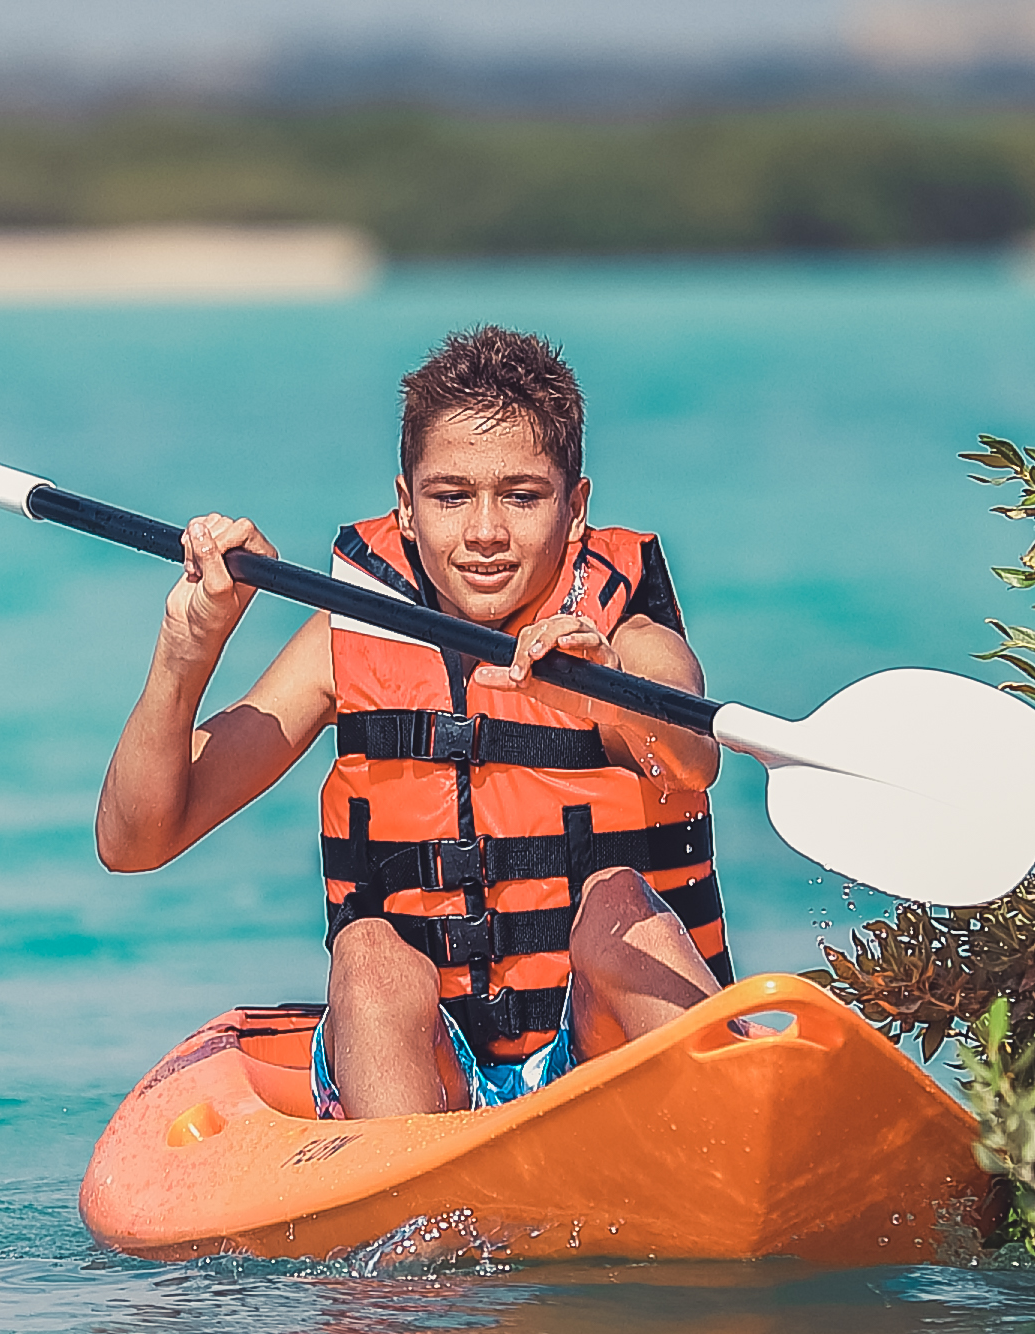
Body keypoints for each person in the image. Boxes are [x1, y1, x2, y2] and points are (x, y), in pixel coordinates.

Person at [96, 326, 728, 1114]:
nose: (486, 532)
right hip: (433, 1069)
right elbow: (135, 842)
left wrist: (606, 691)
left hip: (597, 1051)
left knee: (621, 905)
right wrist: (187, 649)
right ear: (405, 505)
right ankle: (414, 1219)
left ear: (576, 507)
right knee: (369, 952)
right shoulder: (346, 640)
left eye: (523, 496)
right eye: (451, 496)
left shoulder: (624, 628)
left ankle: (726, 1118)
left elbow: (695, 757)